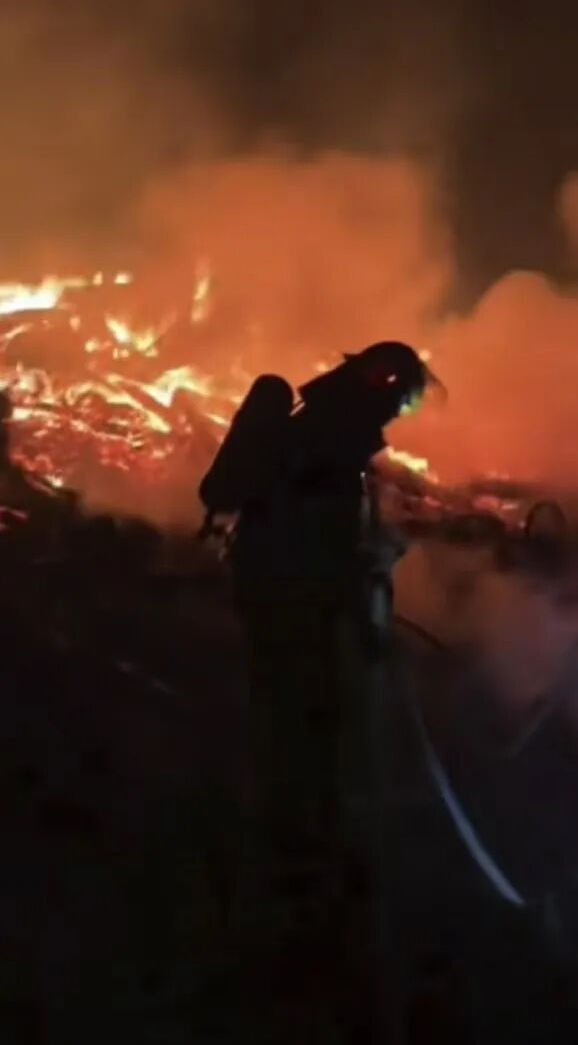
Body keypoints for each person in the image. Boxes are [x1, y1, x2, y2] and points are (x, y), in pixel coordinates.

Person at [200, 341, 431, 1038]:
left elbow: (326, 532)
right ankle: (293, 871)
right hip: (288, 602)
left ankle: (304, 847)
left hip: (293, 600)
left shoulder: (330, 434)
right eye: (401, 398)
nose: (397, 414)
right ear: (377, 385)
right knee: (300, 723)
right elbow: (307, 533)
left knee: (307, 720)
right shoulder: (322, 439)